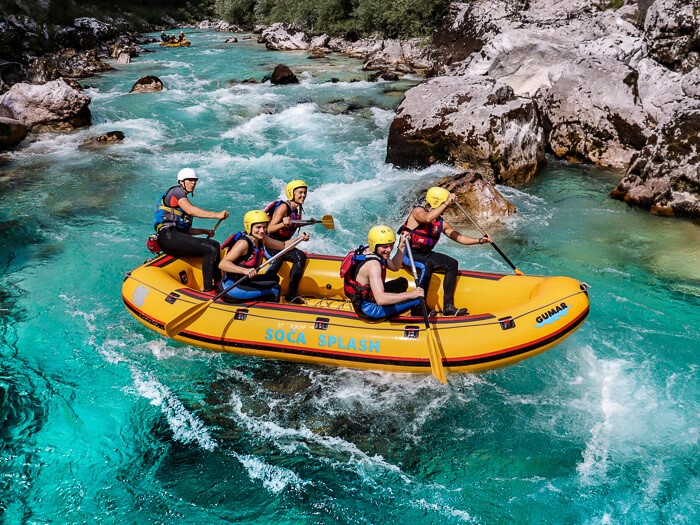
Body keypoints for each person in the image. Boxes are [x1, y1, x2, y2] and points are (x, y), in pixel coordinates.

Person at [398, 187, 492, 316]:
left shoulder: (441, 223)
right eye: (445, 204)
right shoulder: (418, 211)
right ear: (437, 202)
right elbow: (426, 218)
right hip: (408, 254)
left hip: (425, 254)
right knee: (427, 264)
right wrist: (447, 202)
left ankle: (448, 307)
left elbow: (460, 237)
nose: (447, 208)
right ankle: (419, 306)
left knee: (452, 263)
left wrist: (481, 240)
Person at [154, 167, 229, 292]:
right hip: (167, 237)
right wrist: (216, 215)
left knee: (215, 245)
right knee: (209, 249)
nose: (193, 183)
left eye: (195, 180)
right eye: (190, 180)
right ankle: (208, 290)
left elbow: (185, 230)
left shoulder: (180, 206)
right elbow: (191, 210)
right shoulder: (176, 192)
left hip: (174, 236)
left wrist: (204, 231)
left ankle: (218, 282)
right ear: (181, 182)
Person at [218, 210, 310, 303]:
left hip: (246, 281)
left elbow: (283, 245)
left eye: (264, 227)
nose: (262, 231)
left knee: (274, 278)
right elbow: (223, 264)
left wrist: (299, 238)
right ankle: (270, 313)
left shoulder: (261, 239)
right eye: (258, 227)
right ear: (249, 227)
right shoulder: (243, 244)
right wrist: (244, 271)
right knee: (275, 290)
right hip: (231, 287)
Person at [342, 225, 424, 321]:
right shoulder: (374, 265)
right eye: (385, 246)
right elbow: (381, 299)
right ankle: (417, 324)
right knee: (419, 299)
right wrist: (411, 294)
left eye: (391, 245)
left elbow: (395, 266)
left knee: (402, 282)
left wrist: (402, 245)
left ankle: (396, 311)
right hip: (370, 311)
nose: (389, 250)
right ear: (375, 245)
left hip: (367, 298)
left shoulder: (371, 251)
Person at [265, 179, 309, 304]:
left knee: (300, 256)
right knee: (277, 261)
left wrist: (307, 223)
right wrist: (282, 224)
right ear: (292, 194)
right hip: (270, 244)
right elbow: (269, 228)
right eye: (300, 192)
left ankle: (291, 294)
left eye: (305, 193)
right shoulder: (284, 207)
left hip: (283, 245)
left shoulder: (296, 209)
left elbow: (293, 224)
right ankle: (265, 289)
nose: (303, 195)